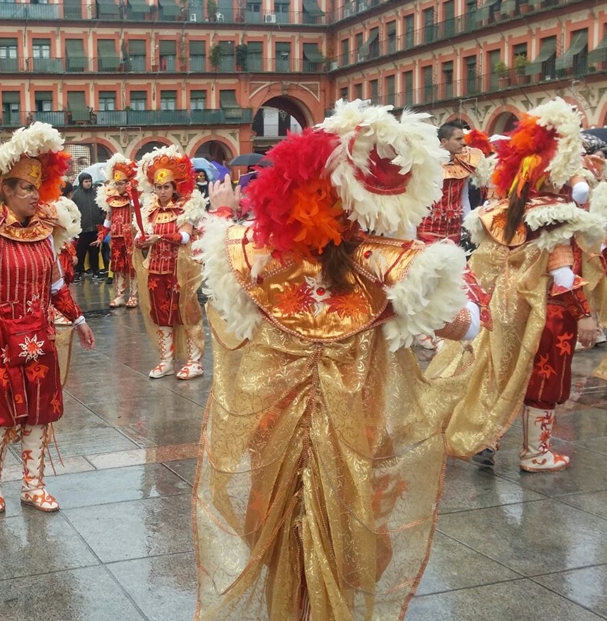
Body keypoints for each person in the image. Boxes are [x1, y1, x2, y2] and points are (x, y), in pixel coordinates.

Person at [192, 101, 489, 621]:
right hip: (358, 427)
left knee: (282, 528)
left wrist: (222, 211)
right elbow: (465, 325)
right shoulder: (392, 266)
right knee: (346, 535)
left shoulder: (262, 254)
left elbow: (214, 295)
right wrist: (471, 293)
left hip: (274, 425)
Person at [427, 98, 603, 472]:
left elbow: (482, 266)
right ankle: (535, 453)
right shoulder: (555, 217)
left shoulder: (506, 211)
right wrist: (585, 316)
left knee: (497, 369)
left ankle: (485, 438)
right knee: (545, 375)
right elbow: (562, 273)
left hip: (503, 304)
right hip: (547, 309)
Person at [0, 122, 95, 513]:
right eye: (25, 188)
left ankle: (33, 485)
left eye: (36, 187)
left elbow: (57, 288)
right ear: (6, 192)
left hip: (39, 340)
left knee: (39, 417)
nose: (33, 194)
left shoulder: (46, 234)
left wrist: (78, 320)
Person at [133, 145, 206, 379]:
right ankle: (166, 361)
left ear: (175, 187)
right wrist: (141, 241)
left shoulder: (185, 208)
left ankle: (195, 362)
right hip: (156, 271)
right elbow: (139, 236)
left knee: (185, 314)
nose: (162, 191)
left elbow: (184, 236)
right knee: (162, 316)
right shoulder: (149, 211)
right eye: (158, 187)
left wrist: (161, 237)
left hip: (179, 271)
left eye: (166, 187)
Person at [416, 120, 483, 244]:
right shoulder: (427, 164)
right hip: (427, 231)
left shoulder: (465, 163)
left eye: (463, 138)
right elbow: (415, 198)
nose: (463, 143)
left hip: (454, 232)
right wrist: (410, 234)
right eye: (458, 139)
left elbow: (464, 197)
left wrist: (468, 224)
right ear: (444, 142)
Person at [93, 154, 139, 308]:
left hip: (130, 239)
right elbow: (108, 220)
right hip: (117, 240)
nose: (118, 187)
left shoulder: (134, 199)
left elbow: (138, 213)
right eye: (116, 183)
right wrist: (101, 236)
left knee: (132, 267)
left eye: (121, 183)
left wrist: (132, 193)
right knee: (118, 268)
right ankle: (119, 295)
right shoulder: (112, 200)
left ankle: (134, 295)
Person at [72, 173, 104, 281]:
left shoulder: (96, 194)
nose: (88, 183)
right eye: (86, 181)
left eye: (89, 181)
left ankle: (96, 271)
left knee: (94, 252)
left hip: (95, 228)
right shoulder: (76, 195)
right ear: (81, 183)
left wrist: (101, 219)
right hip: (82, 229)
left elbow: (102, 209)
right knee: (80, 252)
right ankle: (78, 272)